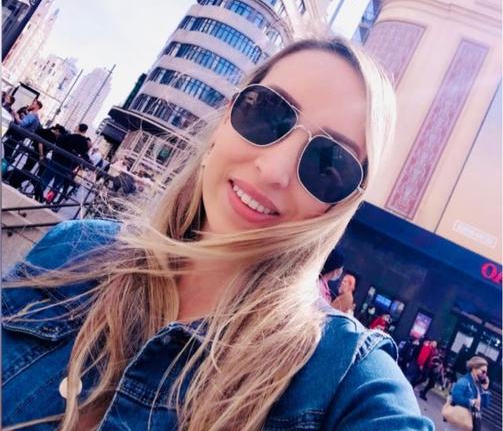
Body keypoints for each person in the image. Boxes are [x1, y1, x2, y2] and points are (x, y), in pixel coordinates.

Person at [2, 37, 433, 430]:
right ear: (227, 116)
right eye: (267, 114)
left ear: (339, 204)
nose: (274, 170)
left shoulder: (346, 380)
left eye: (329, 162)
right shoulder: (73, 249)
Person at [36, 122, 91, 202]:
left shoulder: (68, 137)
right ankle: (48, 200)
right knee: (56, 185)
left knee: (46, 179)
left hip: (57, 160)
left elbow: (58, 143)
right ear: (85, 131)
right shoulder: (84, 143)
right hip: (67, 165)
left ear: (78, 128)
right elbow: (84, 155)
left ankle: (38, 196)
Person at [7, 124, 66, 191]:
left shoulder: (46, 131)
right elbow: (40, 143)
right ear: (57, 130)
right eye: (59, 134)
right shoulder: (49, 134)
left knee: (27, 167)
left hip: (35, 151)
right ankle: (15, 181)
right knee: (28, 168)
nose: (59, 136)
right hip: (36, 152)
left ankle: (15, 181)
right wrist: (41, 155)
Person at [445, 356, 491, 431]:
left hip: (471, 421)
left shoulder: (479, 385)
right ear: (474, 368)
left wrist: (485, 389)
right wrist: (470, 402)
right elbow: (456, 396)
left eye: (486, 373)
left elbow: (486, 404)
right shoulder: (465, 381)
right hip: (459, 419)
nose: (485, 375)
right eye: (483, 371)